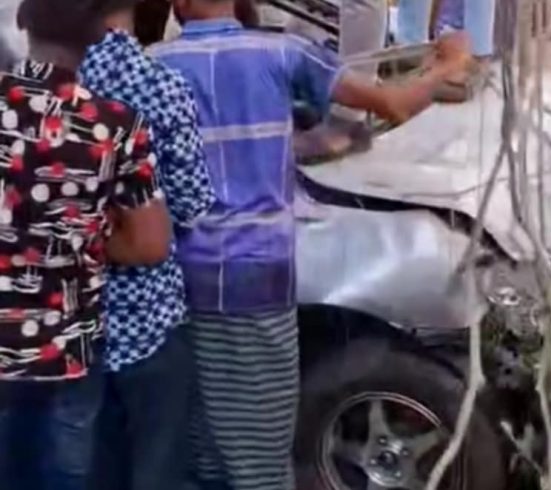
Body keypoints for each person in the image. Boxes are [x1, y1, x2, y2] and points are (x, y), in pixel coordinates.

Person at [150, 1, 470, 488]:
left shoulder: (155, 66)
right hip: (259, 280)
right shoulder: (284, 53)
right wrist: (448, 64)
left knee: (206, 443)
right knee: (260, 449)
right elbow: (395, 104)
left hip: (184, 281)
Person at [0, 0, 170, 489]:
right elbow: (150, 244)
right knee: (65, 475)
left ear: (22, 22)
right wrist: (77, 236)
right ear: (97, 34)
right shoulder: (116, 125)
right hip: (67, 350)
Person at [76, 1, 216, 490]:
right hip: (149, 322)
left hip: (67, 328)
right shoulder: (160, 84)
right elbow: (192, 205)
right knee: (157, 470)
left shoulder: (39, 91)